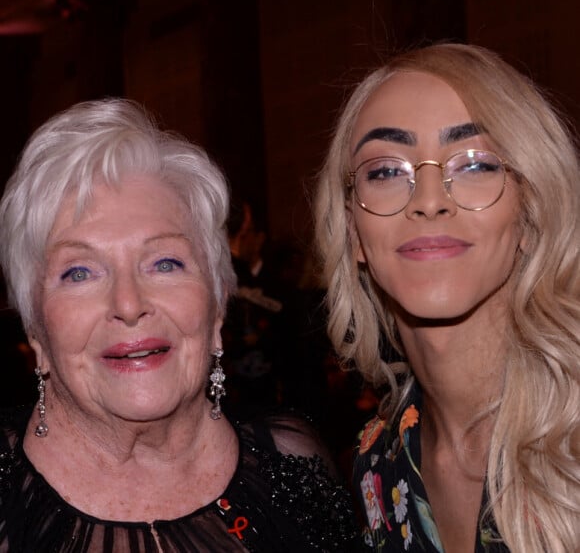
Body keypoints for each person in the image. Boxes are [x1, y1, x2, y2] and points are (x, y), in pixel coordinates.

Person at [0, 98, 358, 551]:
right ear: (35, 328)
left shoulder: (294, 463)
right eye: (80, 272)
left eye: (164, 263)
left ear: (218, 302)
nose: (128, 304)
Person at [314, 43, 580, 552]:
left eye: (475, 164)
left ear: (530, 212)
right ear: (353, 230)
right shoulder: (377, 463)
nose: (430, 200)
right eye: (386, 171)